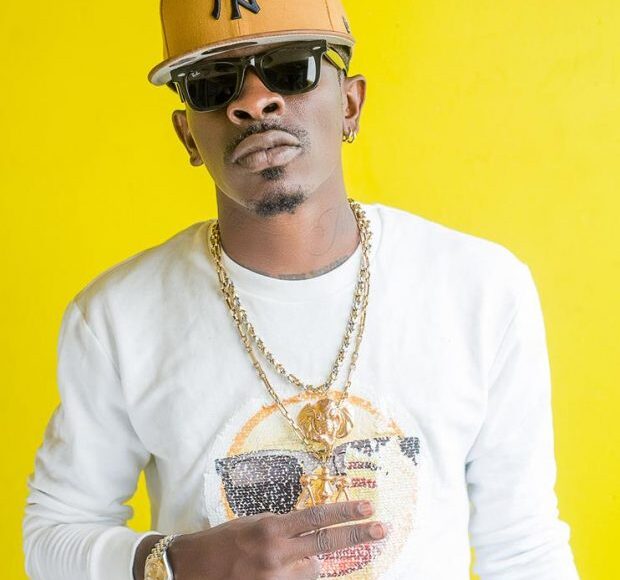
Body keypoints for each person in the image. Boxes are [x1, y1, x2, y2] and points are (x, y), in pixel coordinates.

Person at [23, 0, 580, 578]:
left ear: (350, 104)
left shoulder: (480, 290)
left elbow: (524, 548)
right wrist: (178, 562)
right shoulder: (118, 317)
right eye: (213, 82)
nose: (254, 100)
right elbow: (52, 533)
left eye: (292, 67)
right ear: (187, 134)